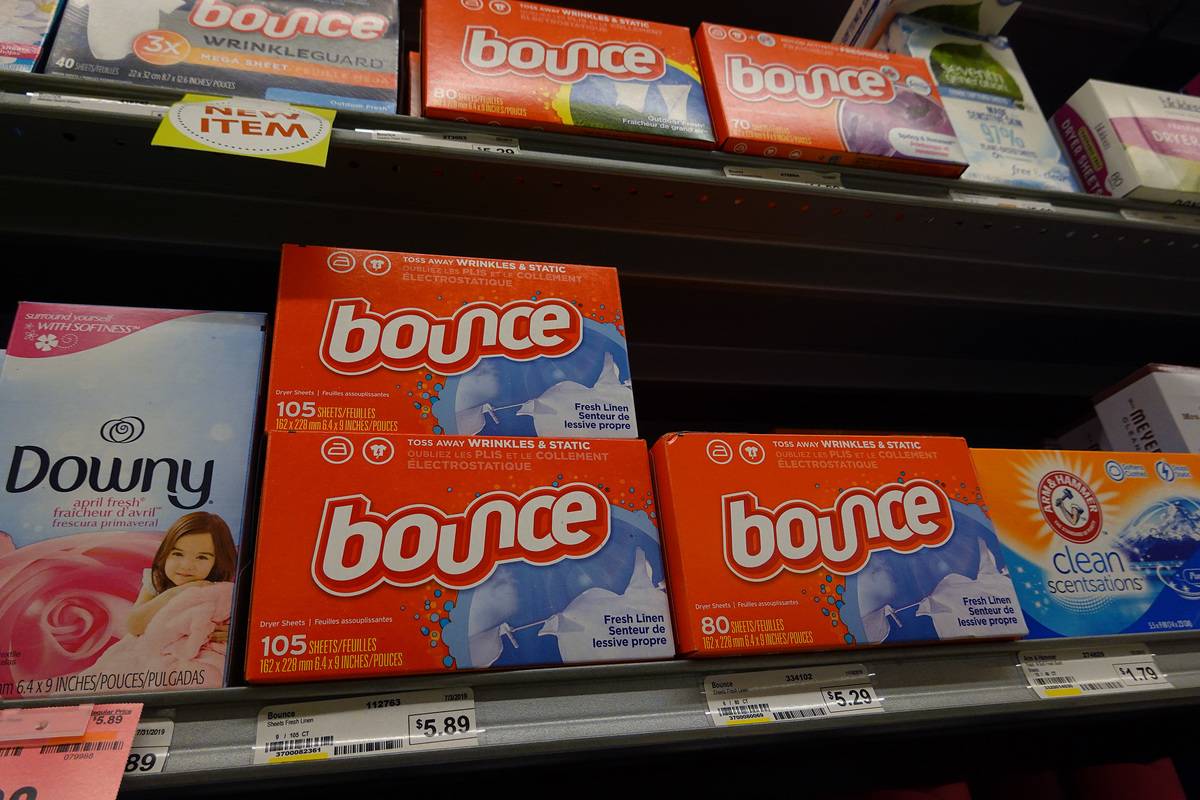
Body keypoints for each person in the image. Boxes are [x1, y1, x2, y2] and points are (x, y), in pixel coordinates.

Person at [127, 512, 237, 643]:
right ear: (165, 552)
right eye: (178, 554)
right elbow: (134, 626)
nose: (186, 565)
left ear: (218, 562)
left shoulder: (222, 591)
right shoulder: (157, 580)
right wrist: (174, 593)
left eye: (201, 557)